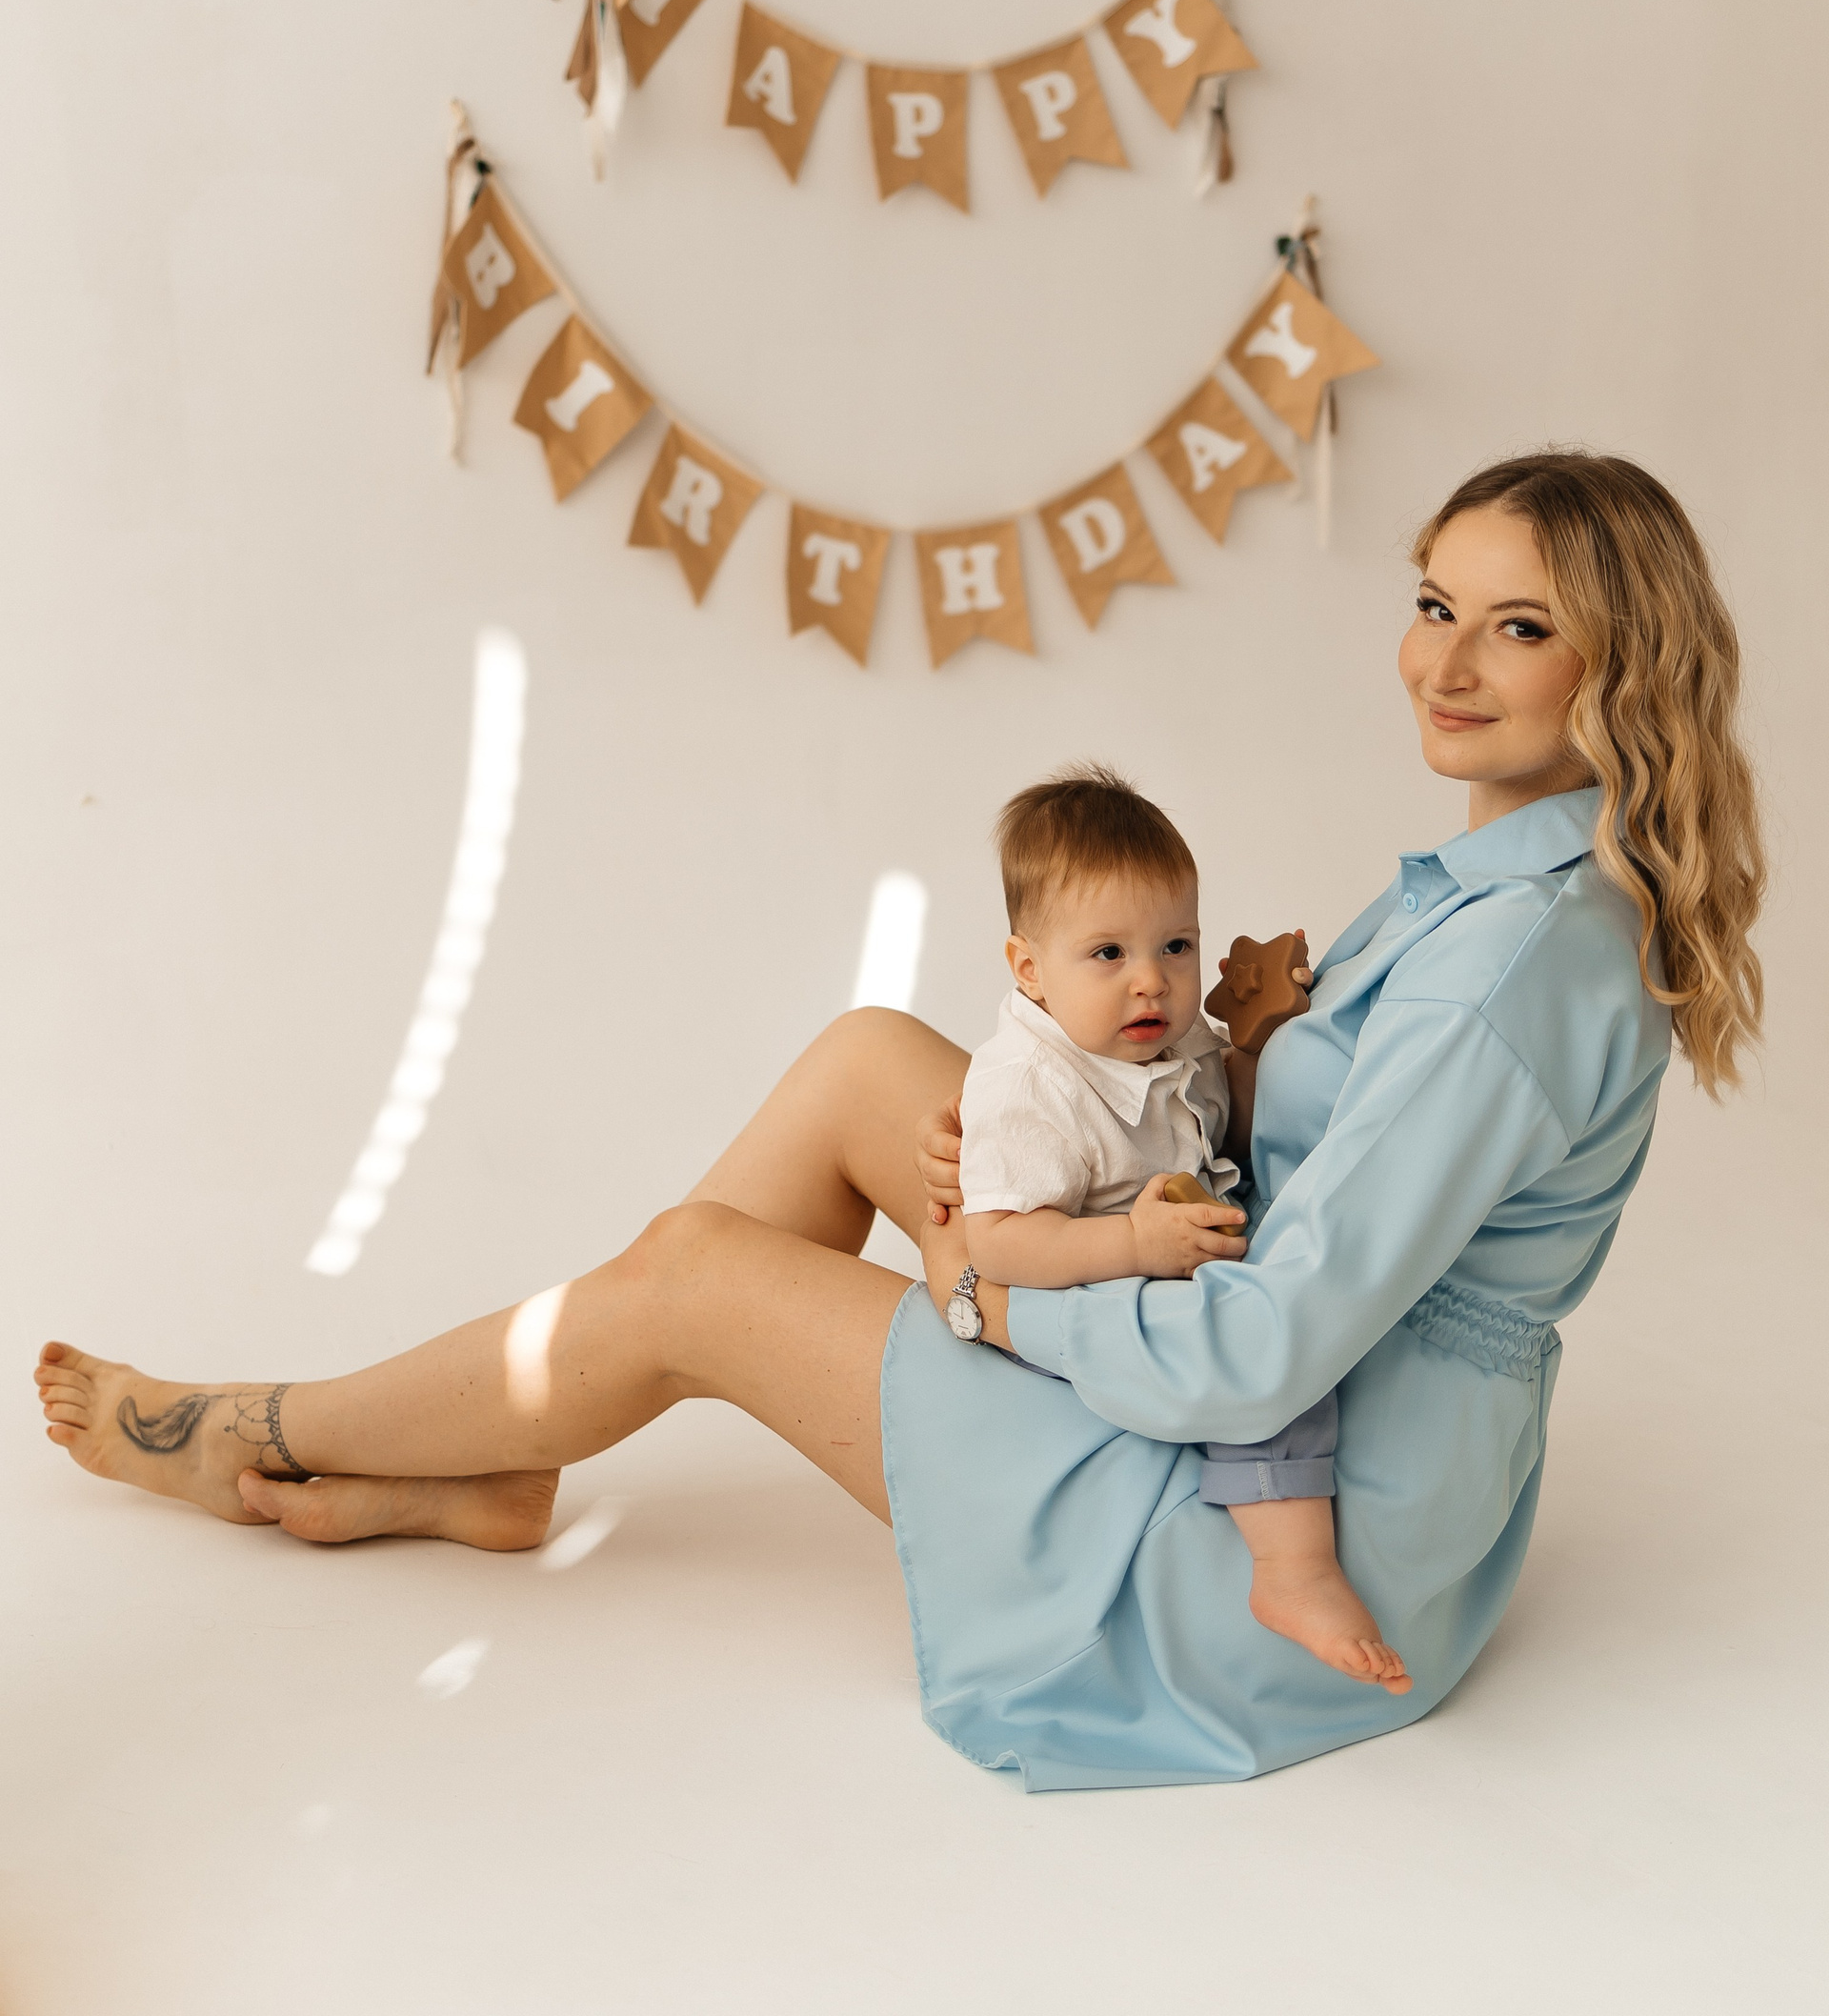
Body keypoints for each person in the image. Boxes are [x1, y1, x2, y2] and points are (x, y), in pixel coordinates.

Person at [35, 450, 1765, 1791]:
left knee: (698, 1274)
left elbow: (1263, 1356)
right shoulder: (1491, 890)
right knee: (873, 1056)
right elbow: (1301, 1182)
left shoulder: (1504, 972)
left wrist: (1001, 1287)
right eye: (1436, 602)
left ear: (1620, 663)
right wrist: (1202, 1078)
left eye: (1517, 627)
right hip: (1279, 1379)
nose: (1444, 662)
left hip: (1270, 1532)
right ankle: (511, 1447)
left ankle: (269, 1432)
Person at [955, 768, 1408, 1692]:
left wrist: (1257, 1041)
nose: (1151, 980)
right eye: (1107, 953)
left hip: (1173, 1254)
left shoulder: (1169, 1032)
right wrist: (1130, 1246)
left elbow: (1226, 1127)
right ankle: (1293, 1569)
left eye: (1176, 944)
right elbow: (997, 1242)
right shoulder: (1026, 1085)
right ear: (1029, 970)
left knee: (1285, 1314)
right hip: (1087, 1281)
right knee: (1250, 1359)